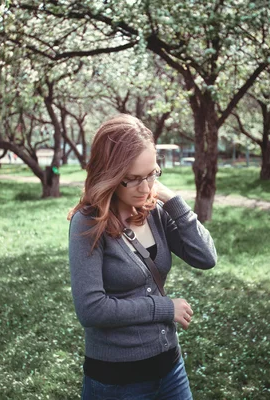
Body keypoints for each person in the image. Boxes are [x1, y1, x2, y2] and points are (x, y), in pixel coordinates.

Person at [68, 114, 217, 399]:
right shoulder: (88, 222)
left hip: (171, 370)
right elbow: (91, 309)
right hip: (118, 381)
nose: (146, 188)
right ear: (109, 174)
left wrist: (173, 201)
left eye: (151, 174)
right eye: (133, 179)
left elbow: (206, 257)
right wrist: (163, 308)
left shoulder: (154, 211)